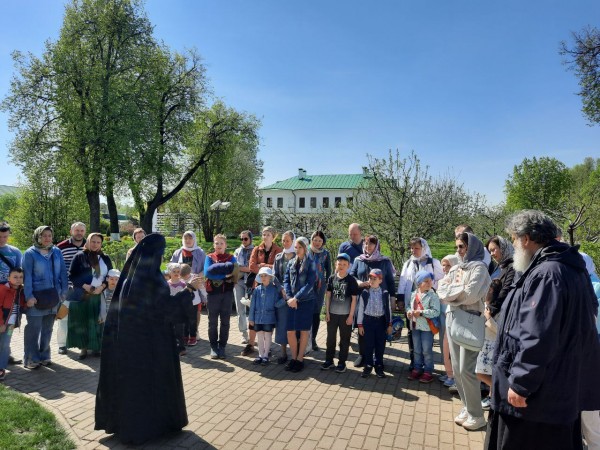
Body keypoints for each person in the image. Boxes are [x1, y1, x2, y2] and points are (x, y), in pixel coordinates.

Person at [485, 210, 600, 450]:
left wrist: (521, 383)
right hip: (557, 393)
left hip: (535, 403)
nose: (514, 246)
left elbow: (538, 335)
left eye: (515, 239)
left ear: (527, 239)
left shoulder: (547, 274)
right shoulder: (569, 268)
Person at [95, 233, 201, 445]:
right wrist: (189, 289)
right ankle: (148, 427)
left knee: (132, 385)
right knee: (149, 385)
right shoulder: (150, 280)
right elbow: (165, 310)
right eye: (160, 253)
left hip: (130, 344)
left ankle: (125, 424)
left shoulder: (131, 277)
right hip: (151, 344)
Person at [438, 232, 491, 431]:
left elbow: (471, 295)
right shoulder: (458, 267)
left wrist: (453, 293)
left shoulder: (480, 268)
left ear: (472, 247)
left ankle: (477, 415)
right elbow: (441, 289)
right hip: (452, 318)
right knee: (457, 371)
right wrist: (456, 291)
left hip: (469, 320)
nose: (459, 251)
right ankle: (467, 407)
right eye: (457, 246)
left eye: (462, 246)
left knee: (467, 370)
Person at [22, 226, 68, 369]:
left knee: (48, 329)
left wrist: (63, 292)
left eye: (49, 235)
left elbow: (62, 273)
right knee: (33, 329)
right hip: (36, 298)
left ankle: (44, 356)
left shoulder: (56, 251)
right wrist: (28, 296)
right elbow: (27, 276)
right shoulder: (30, 253)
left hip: (54, 297)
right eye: (44, 235)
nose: (47, 238)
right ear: (38, 237)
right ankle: (31, 358)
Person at [480, 235, 516, 410]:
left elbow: (505, 292)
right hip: (492, 316)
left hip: (499, 319)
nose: (493, 253)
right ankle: (493, 393)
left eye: (494, 249)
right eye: (490, 251)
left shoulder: (513, 267)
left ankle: (496, 395)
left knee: (495, 363)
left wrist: (490, 311)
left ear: (504, 247)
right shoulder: (501, 267)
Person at [397, 237, 443, 370]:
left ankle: (427, 365)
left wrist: (430, 289)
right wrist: (400, 299)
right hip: (411, 304)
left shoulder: (433, 263)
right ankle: (415, 363)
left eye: (416, 248)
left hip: (428, 305)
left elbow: (441, 280)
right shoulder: (408, 264)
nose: (413, 250)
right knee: (412, 332)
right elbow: (403, 282)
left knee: (426, 333)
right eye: (411, 248)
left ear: (424, 248)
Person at [350, 235, 396, 367]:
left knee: (379, 330)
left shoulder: (384, 261)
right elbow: (352, 276)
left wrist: (392, 298)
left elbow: (390, 282)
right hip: (364, 299)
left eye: (370, 244)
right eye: (365, 244)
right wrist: (358, 282)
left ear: (376, 246)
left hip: (380, 300)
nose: (367, 246)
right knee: (363, 328)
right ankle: (363, 356)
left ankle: (378, 358)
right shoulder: (359, 260)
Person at [67, 232, 113, 360]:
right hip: (83, 295)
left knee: (97, 321)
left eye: (98, 242)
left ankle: (96, 347)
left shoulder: (105, 258)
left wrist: (102, 287)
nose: (95, 244)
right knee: (83, 321)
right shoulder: (80, 256)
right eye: (93, 241)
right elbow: (72, 275)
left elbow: (110, 276)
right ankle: (83, 348)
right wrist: (84, 285)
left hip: (99, 294)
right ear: (88, 241)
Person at [244, 227, 282, 356]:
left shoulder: (278, 250)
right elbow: (252, 267)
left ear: (273, 236)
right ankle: (251, 344)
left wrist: (262, 266)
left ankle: (267, 347)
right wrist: (266, 267)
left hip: (270, 289)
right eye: (263, 234)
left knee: (267, 317)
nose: (265, 237)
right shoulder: (257, 249)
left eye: (268, 235)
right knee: (254, 314)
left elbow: (277, 268)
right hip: (257, 287)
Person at [283, 236, 317, 373]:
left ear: (305, 248)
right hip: (292, 302)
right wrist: (290, 298)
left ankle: (300, 359)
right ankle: (293, 357)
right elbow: (286, 280)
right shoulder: (291, 262)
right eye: (296, 247)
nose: (297, 250)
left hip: (306, 301)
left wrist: (296, 298)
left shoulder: (311, 263)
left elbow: (310, 284)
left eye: (299, 247)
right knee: (290, 331)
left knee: (303, 331)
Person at [322, 253, 359, 373]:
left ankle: (342, 363)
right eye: (339, 264)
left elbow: (354, 299)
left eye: (344, 264)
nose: (341, 266)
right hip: (332, 314)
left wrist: (351, 316)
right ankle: (329, 360)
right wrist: (327, 312)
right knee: (330, 339)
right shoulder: (331, 278)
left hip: (345, 316)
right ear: (336, 264)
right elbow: (328, 296)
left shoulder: (351, 280)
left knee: (344, 340)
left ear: (348, 265)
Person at [204, 234, 238, 359]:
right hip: (212, 294)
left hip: (227, 294)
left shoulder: (231, 258)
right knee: (212, 322)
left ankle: (222, 347)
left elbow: (235, 273)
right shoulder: (209, 257)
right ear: (213, 245)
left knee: (225, 322)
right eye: (216, 243)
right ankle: (213, 347)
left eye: (221, 243)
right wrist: (225, 275)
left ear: (226, 245)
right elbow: (208, 273)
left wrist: (218, 271)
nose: (218, 246)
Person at [170, 231, 206, 347]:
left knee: (196, 310)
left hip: (196, 282)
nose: (188, 240)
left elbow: (205, 267)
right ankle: (184, 334)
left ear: (194, 239)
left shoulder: (200, 252)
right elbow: (171, 266)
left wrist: (196, 277)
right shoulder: (178, 252)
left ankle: (195, 331)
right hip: (181, 284)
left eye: (190, 238)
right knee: (184, 310)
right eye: (185, 238)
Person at [56, 221, 86, 355]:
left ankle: (80, 343)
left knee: (81, 317)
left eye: (81, 231)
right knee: (63, 317)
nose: (79, 233)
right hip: (67, 288)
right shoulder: (61, 247)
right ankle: (62, 345)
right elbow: (57, 269)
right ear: (71, 231)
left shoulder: (89, 245)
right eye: (76, 230)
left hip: (84, 289)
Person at [356, 268, 392, 378]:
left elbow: (388, 309)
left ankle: (379, 365)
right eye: (370, 278)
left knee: (380, 345)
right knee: (368, 345)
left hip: (380, 322)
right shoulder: (365, 293)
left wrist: (389, 324)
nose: (372, 280)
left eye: (374, 278)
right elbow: (361, 309)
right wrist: (360, 325)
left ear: (380, 280)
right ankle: (368, 365)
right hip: (368, 322)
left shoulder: (385, 293)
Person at [406, 270, 440, 383]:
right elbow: (408, 307)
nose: (429, 283)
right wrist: (409, 312)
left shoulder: (433, 295)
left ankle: (428, 371)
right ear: (419, 283)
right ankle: (417, 369)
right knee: (416, 349)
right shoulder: (413, 294)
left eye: (430, 280)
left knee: (426, 350)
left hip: (427, 328)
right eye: (426, 281)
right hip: (415, 326)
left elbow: (436, 312)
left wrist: (421, 313)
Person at [249, 267, 283, 365]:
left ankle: (265, 356)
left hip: (269, 317)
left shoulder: (274, 290)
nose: (263, 278)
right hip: (258, 317)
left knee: (267, 336)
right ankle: (260, 355)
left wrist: (284, 301)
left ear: (270, 277)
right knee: (259, 336)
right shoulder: (257, 290)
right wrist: (251, 318)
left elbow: (277, 303)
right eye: (261, 276)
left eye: (266, 275)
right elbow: (252, 305)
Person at [0, 222, 23, 365]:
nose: (2, 239)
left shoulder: (15, 252)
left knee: (9, 323)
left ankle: (6, 353)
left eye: (5, 236)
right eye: (0, 236)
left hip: (11, 293)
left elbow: (19, 272)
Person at [0, 267, 26, 381]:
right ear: (8, 277)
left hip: (10, 325)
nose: (18, 279)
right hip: (1, 323)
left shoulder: (20, 291)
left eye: (21, 277)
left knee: (5, 345)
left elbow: (21, 305)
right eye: (15, 277)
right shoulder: (2, 289)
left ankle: (1, 368)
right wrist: (1, 323)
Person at [273, 230, 295, 364]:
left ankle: (295, 353)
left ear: (292, 241)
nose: (285, 243)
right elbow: (274, 276)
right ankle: (283, 352)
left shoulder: (298, 257)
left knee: (292, 324)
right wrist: (280, 288)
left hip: (293, 295)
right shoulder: (278, 257)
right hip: (281, 295)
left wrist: (290, 291)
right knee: (281, 324)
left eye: (287, 240)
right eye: (283, 240)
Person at [438, 254, 459, 391]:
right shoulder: (444, 279)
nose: (445, 268)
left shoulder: (456, 280)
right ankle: (449, 373)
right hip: (443, 317)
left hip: (454, 318)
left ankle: (455, 377)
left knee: (453, 349)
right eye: (443, 265)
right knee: (445, 347)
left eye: (448, 265)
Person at [308, 230, 332, 352]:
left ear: (323, 242)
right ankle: (304, 338)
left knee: (316, 313)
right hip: (306, 286)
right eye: (315, 240)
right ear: (311, 240)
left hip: (320, 287)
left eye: (320, 240)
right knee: (306, 312)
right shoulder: (306, 251)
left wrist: (327, 284)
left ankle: (313, 339)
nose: (317, 242)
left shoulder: (326, 254)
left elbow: (329, 270)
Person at [233, 230, 254, 346]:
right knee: (240, 308)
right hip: (239, 282)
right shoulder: (237, 251)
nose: (243, 241)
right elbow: (234, 267)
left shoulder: (255, 250)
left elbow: (253, 268)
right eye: (241, 239)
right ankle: (243, 334)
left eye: (245, 239)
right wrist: (244, 268)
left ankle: (252, 334)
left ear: (250, 238)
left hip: (251, 282)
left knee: (252, 308)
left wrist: (243, 268)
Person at [167, 263, 188, 356]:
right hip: (170, 311)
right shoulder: (166, 284)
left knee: (179, 330)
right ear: (169, 273)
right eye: (174, 271)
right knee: (170, 330)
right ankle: (172, 347)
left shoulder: (183, 284)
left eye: (178, 271)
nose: (176, 273)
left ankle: (182, 348)